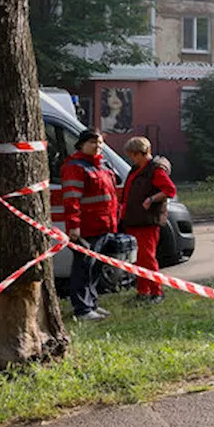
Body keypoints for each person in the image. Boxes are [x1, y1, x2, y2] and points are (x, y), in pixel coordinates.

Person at [61, 128, 121, 320]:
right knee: (83, 268)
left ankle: (92, 303)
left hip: (104, 225)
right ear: (81, 144)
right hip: (87, 228)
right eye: (93, 143)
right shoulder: (75, 167)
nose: (98, 147)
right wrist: (74, 226)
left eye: (100, 143)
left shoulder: (102, 166)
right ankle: (82, 309)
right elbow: (72, 200)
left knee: (95, 269)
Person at [120, 136, 176, 304]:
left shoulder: (155, 170)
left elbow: (169, 190)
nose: (131, 158)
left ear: (141, 153)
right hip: (134, 219)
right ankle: (142, 291)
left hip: (147, 221)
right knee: (139, 259)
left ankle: (156, 292)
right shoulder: (136, 169)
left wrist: (151, 199)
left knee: (148, 258)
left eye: (132, 155)